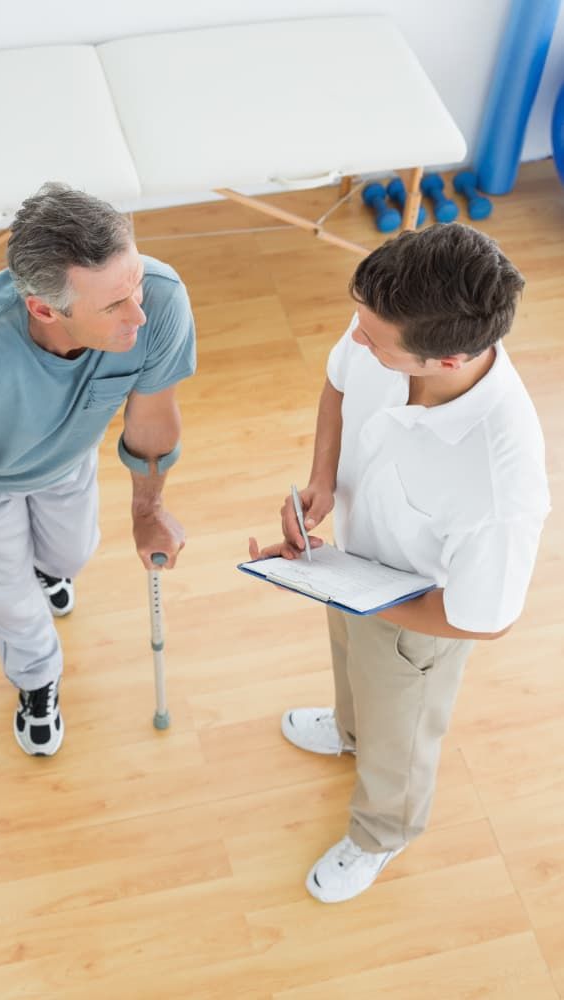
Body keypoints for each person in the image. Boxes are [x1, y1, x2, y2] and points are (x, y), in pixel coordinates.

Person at [249, 222, 550, 904]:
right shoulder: (385, 328)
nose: (355, 339)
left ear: (447, 359)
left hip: (422, 618)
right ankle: (349, 728)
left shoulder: (499, 481)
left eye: (372, 339)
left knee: (401, 734)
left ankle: (382, 833)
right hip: (352, 562)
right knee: (352, 666)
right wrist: (321, 482)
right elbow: (337, 384)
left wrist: (362, 594)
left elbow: (484, 619)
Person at [0, 182, 196, 757]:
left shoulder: (159, 300)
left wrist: (149, 510)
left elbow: (153, 417)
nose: (138, 313)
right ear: (44, 309)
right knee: (8, 596)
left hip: (68, 456)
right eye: (114, 305)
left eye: (134, 283)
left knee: (69, 555)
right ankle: (37, 678)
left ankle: (51, 573)